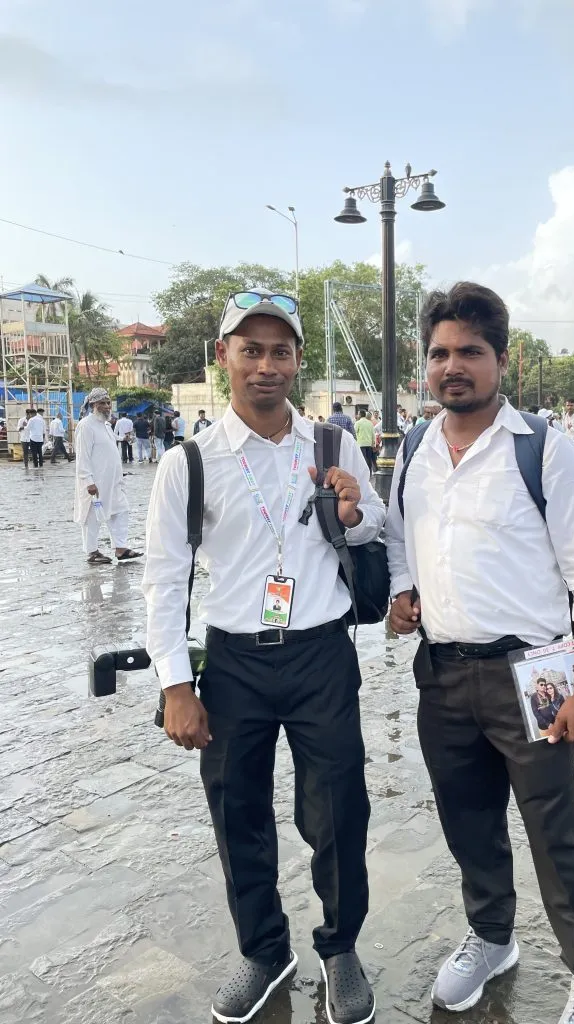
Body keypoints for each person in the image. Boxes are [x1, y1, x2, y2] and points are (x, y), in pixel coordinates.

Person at [143, 288, 385, 1024]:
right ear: (224, 359)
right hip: (235, 663)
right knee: (238, 809)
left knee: (339, 808)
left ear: (299, 362)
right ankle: (263, 951)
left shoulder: (335, 446)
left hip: (321, 654)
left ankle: (339, 948)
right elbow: (162, 579)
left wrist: (355, 511)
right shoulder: (189, 462)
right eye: (250, 350)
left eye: (280, 351)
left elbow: (375, 528)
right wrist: (177, 685)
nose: (266, 365)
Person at [386, 282, 574, 1024]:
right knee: (468, 820)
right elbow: (400, 537)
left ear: (501, 360)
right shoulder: (417, 448)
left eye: (469, 352)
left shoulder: (543, 451)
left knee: (555, 831)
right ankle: (492, 938)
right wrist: (401, 591)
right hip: (445, 674)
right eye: (439, 353)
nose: (452, 366)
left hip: (536, 675)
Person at [73, 388, 143, 564]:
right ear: (93, 405)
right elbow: (82, 456)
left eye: (107, 402)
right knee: (92, 517)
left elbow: (110, 444)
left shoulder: (105, 424)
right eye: (101, 403)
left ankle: (120, 548)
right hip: (95, 483)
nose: (106, 406)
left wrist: (123, 439)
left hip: (112, 482)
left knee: (120, 510)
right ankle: (92, 552)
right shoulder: (86, 425)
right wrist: (88, 481)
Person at [355, 409, 376, 474]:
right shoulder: (370, 423)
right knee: (368, 459)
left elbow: (355, 432)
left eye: (358, 414)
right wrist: (373, 444)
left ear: (360, 415)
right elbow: (373, 434)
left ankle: (363, 473)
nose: (357, 415)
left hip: (360, 444)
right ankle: (369, 473)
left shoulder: (358, 423)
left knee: (362, 460)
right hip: (369, 444)